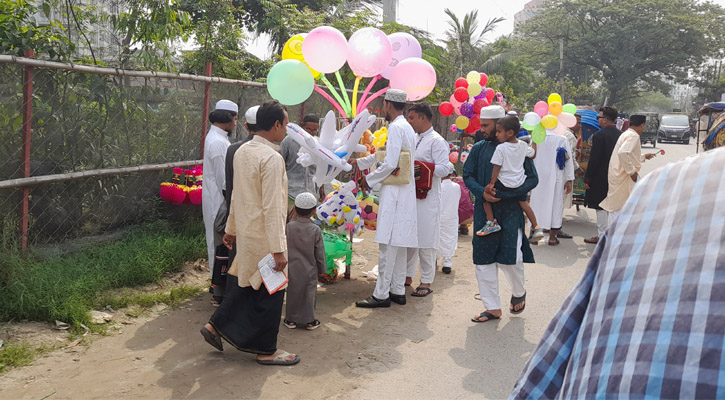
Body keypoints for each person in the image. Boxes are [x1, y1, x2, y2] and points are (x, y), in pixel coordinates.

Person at [510, 146, 725, 399]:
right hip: (610, 181)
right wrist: (632, 171)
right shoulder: (656, 184)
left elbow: (572, 324)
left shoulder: (660, 185)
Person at [200, 100, 300, 366]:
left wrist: (231, 230)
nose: (287, 129)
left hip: (246, 232)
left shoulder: (242, 151)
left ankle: (215, 326)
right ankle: (267, 350)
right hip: (266, 237)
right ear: (276, 125)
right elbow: (274, 206)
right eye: (286, 123)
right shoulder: (272, 157)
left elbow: (236, 196)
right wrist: (279, 248)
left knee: (247, 285)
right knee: (271, 292)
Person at [463, 105, 539, 323]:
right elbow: (468, 175)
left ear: (502, 126)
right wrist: (482, 194)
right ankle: (492, 307)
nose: (483, 130)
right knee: (483, 259)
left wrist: (509, 193)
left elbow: (533, 179)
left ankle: (518, 290)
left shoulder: (519, 149)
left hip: (511, 211)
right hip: (484, 212)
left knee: (511, 257)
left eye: (487, 126)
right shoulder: (478, 148)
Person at [351, 89, 418, 308]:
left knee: (388, 244)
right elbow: (387, 155)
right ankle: (397, 290)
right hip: (403, 190)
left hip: (395, 191)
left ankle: (381, 295)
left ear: (388, 104)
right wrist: (360, 163)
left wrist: (368, 180)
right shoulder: (406, 126)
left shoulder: (397, 127)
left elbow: (390, 163)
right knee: (397, 242)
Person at [404, 103, 451, 297]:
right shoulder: (413, 138)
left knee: (426, 239)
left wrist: (420, 167)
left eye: (412, 118)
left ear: (424, 118)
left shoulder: (437, 141)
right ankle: (406, 276)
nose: (410, 122)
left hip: (428, 196)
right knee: (408, 237)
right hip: (410, 195)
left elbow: (445, 168)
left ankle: (426, 280)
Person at [477, 116, 543, 242]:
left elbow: (497, 167)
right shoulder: (523, 145)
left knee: (485, 198)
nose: (496, 134)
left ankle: (491, 222)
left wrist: (491, 184)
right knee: (524, 204)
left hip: (504, 183)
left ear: (510, 133)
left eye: (499, 131)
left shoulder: (501, 148)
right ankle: (536, 227)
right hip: (519, 183)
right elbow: (533, 155)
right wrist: (535, 142)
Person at [203, 100, 236, 299]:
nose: (235, 124)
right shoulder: (217, 142)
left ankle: (218, 284)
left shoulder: (219, 138)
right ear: (228, 119)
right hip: (218, 201)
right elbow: (224, 181)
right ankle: (218, 288)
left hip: (216, 199)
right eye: (234, 119)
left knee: (218, 244)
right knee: (219, 245)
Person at [283, 192, 327, 331]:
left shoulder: (289, 227)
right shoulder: (315, 229)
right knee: (309, 294)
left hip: (291, 268)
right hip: (309, 269)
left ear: (295, 209)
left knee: (292, 292)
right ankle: (310, 321)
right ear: (314, 211)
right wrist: (322, 270)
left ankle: (290, 320)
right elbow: (319, 252)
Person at [599, 114, 655, 222]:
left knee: (619, 205)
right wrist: (632, 172)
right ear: (642, 125)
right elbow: (623, 153)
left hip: (617, 174)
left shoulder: (626, 133)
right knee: (623, 206)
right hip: (623, 176)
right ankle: (619, 234)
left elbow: (628, 155)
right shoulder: (633, 136)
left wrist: (643, 157)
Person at [528, 121, 575, 246]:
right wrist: (569, 179)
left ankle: (534, 234)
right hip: (556, 178)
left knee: (536, 204)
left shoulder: (536, 137)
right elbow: (567, 160)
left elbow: (529, 156)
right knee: (556, 205)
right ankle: (552, 238)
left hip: (537, 177)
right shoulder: (562, 139)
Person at [583, 106, 622, 244]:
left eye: (599, 117)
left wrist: (588, 178)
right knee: (615, 206)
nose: (597, 120)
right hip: (617, 176)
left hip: (600, 176)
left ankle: (602, 236)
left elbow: (594, 159)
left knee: (600, 206)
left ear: (605, 119)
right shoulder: (621, 135)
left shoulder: (599, 136)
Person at [280, 114, 325, 221]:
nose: (311, 133)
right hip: (290, 192)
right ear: (302, 126)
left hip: (310, 193)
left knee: (305, 227)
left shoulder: (318, 144)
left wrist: (321, 187)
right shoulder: (289, 141)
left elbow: (320, 168)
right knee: (288, 226)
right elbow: (280, 163)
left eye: (315, 130)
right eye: (308, 129)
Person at [438, 163, 461, 274]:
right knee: (450, 239)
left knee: (437, 239)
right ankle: (447, 263)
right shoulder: (457, 187)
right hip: (451, 217)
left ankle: (433, 260)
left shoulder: (438, 187)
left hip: (439, 217)